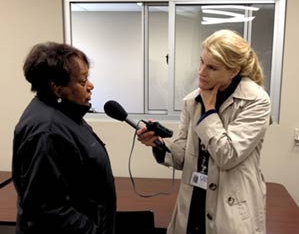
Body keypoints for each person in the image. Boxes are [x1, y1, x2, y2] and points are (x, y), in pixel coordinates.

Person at [137, 29, 271, 234]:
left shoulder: (256, 101)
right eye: (201, 62)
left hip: (230, 210)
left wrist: (209, 111)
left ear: (233, 71)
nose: (201, 71)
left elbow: (228, 155)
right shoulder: (192, 101)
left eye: (212, 67)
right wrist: (157, 144)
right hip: (193, 202)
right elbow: (182, 156)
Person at [12, 42, 116, 234]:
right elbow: (47, 210)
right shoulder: (47, 131)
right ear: (57, 88)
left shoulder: (64, 113)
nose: (90, 86)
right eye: (82, 81)